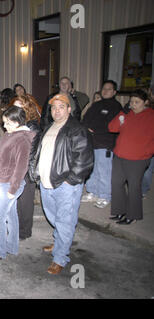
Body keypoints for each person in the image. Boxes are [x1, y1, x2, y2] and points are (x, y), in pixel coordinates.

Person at [29, 94, 93, 275]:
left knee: (65, 221)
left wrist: (70, 180)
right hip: (47, 182)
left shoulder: (76, 129)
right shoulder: (50, 127)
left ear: (69, 109)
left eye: (61, 107)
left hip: (66, 185)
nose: (56, 110)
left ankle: (60, 257)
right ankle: (58, 243)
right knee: (53, 217)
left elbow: (85, 159)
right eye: (54, 107)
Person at [0, 106, 35, 263]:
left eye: (8, 122)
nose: (4, 126)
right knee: (11, 215)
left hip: (10, 183)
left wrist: (13, 188)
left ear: (17, 122)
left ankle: (0, 251)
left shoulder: (22, 138)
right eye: (4, 122)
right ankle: (12, 247)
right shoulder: (11, 134)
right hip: (3, 180)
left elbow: (21, 166)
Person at [108, 89, 154, 224]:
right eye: (131, 102)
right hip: (120, 155)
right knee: (116, 184)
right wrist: (122, 114)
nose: (133, 105)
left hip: (138, 158)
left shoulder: (150, 116)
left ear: (146, 102)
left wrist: (147, 152)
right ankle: (119, 211)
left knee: (134, 186)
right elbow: (112, 128)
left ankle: (133, 215)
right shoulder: (127, 114)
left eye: (137, 102)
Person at [81, 80, 122, 209]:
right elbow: (85, 119)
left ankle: (105, 195)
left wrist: (95, 129)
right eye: (104, 88)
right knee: (91, 169)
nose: (105, 91)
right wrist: (88, 127)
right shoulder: (96, 105)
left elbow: (112, 126)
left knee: (104, 171)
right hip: (91, 142)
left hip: (105, 144)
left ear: (114, 92)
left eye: (109, 89)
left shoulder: (116, 107)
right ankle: (92, 192)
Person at [10, 95, 42, 240]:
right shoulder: (16, 124)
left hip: (26, 169)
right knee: (16, 201)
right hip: (16, 167)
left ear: (27, 108)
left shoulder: (32, 126)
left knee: (25, 202)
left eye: (20, 107)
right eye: (15, 107)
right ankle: (17, 227)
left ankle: (24, 231)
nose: (17, 110)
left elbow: (30, 152)